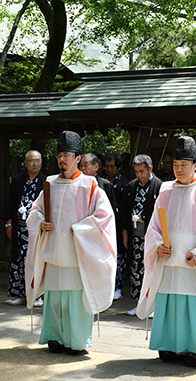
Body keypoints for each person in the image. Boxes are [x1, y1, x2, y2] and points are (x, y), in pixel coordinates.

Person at [137, 135, 196, 367]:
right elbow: (154, 225)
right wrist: (158, 245)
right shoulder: (166, 190)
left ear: (195, 165)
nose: (178, 169)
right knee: (168, 303)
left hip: (192, 259)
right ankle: (167, 345)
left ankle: (194, 349)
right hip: (169, 258)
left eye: (183, 165)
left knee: (192, 305)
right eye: (175, 165)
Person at [25, 131, 117, 355]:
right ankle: (54, 337)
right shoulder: (50, 183)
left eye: (66, 155)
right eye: (59, 155)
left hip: (76, 252)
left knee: (74, 302)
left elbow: (105, 216)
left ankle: (76, 341)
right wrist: (40, 222)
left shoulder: (90, 185)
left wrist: (80, 229)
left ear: (77, 158)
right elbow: (35, 211)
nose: (61, 159)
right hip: (54, 253)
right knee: (54, 300)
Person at [119, 154, 163, 316]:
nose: (139, 175)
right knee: (136, 269)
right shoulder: (132, 186)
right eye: (136, 172)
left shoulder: (160, 186)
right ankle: (140, 303)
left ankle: (154, 304)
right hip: (135, 235)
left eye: (142, 171)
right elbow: (124, 212)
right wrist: (125, 235)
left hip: (154, 235)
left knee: (153, 269)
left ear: (150, 169)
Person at [2, 149, 46, 305]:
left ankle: (37, 295)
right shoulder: (18, 180)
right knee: (19, 260)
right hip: (19, 228)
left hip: (36, 229)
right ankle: (20, 294)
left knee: (35, 260)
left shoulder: (45, 182)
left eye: (38, 160)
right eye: (32, 161)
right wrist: (8, 223)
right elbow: (9, 202)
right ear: (26, 163)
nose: (36, 164)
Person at [104, 153, 126, 299]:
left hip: (118, 225)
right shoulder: (102, 182)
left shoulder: (125, 184)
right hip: (104, 225)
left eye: (113, 166)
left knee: (120, 257)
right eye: (107, 166)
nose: (110, 169)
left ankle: (118, 287)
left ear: (119, 167)